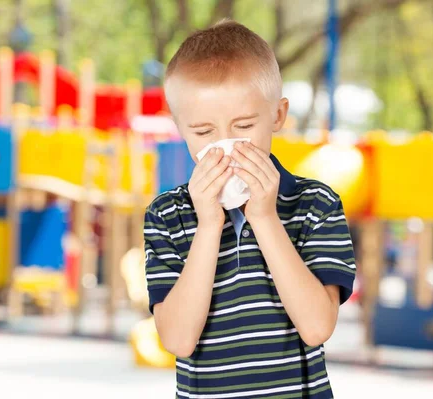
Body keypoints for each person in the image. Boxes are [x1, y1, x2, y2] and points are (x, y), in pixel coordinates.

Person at [144, 20, 356, 398]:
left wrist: (264, 217)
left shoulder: (316, 205)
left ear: (277, 115)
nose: (225, 145)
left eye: (243, 126)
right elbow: (177, 339)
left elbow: (317, 327)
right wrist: (208, 226)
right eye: (203, 132)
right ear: (180, 128)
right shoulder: (166, 216)